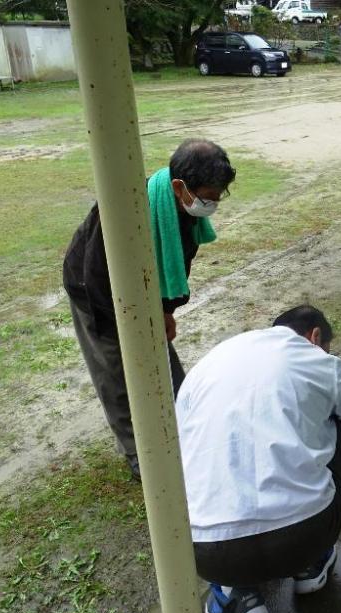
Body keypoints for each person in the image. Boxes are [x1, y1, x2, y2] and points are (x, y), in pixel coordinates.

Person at [175, 305, 341, 613]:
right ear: (315, 336)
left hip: (204, 550)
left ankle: (231, 592)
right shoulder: (317, 360)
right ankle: (311, 564)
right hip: (303, 537)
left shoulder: (206, 367)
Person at [62, 139, 236, 481]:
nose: (212, 204)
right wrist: (129, 329)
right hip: (95, 293)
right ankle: (136, 453)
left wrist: (166, 311)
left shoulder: (186, 214)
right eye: (208, 196)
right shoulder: (124, 208)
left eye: (218, 197)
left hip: (143, 294)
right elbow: (97, 275)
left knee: (166, 370)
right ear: (178, 186)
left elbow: (178, 265)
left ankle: (183, 434)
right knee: (116, 372)